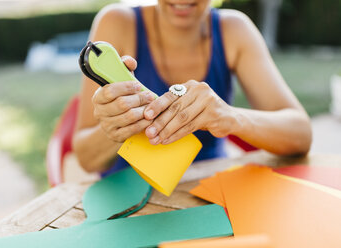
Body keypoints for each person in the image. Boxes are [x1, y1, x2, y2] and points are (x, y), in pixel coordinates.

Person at [72, 0, 312, 174]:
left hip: (209, 189)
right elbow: (85, 159)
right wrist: (117, 127)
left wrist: (231, 116)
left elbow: (301, 134)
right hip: (126, 198)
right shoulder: (116, 22)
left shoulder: (235, 29)